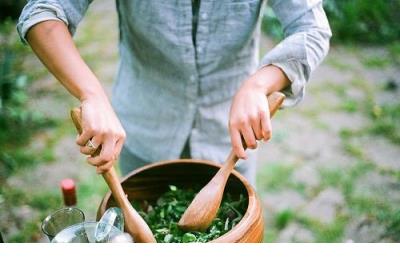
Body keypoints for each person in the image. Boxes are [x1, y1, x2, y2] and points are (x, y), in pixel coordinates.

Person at [17, 0, 331, 186]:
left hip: (231, 144)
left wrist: (259, 84)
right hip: (143, 130)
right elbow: (43, 12)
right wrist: (91, 94)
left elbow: (312, 27)